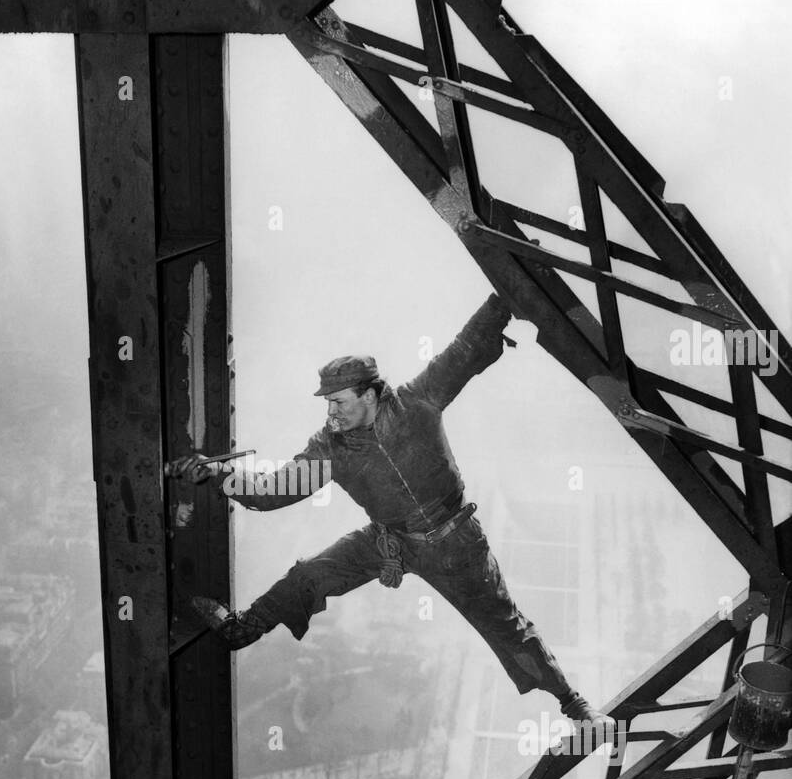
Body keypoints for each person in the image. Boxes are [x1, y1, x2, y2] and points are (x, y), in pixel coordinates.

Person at [170, 291, 614, 748]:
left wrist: (506, 292)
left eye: (339, 401)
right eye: (328, 403)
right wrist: (218, 473)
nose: (331, 412)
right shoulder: (330, 449)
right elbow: (272, 491)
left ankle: (575, 706)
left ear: (370, 394)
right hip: (390, 542)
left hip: (457, 544)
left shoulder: (418, 402)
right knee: (309, 576)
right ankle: (242, 629)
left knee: (505, 626)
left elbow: (465, 349)